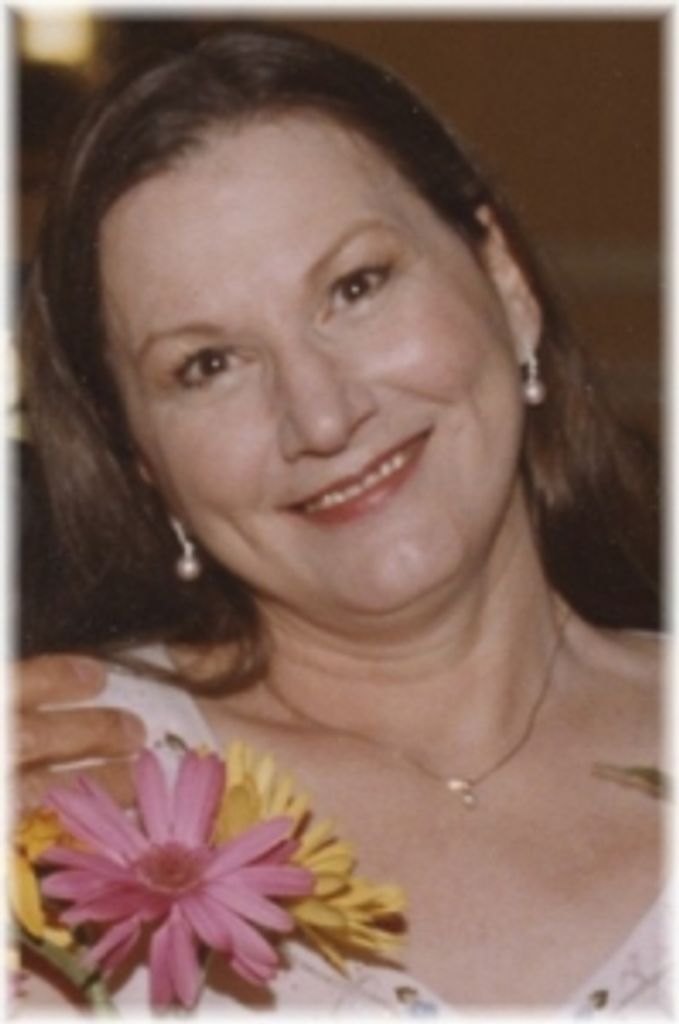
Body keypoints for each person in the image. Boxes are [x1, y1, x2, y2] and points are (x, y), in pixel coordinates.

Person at [15, 22, 667, 1015]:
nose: (321, 416)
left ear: (504, 280)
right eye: (208, 364)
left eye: (355, 287)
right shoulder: (58, 805)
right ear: (143, 463)